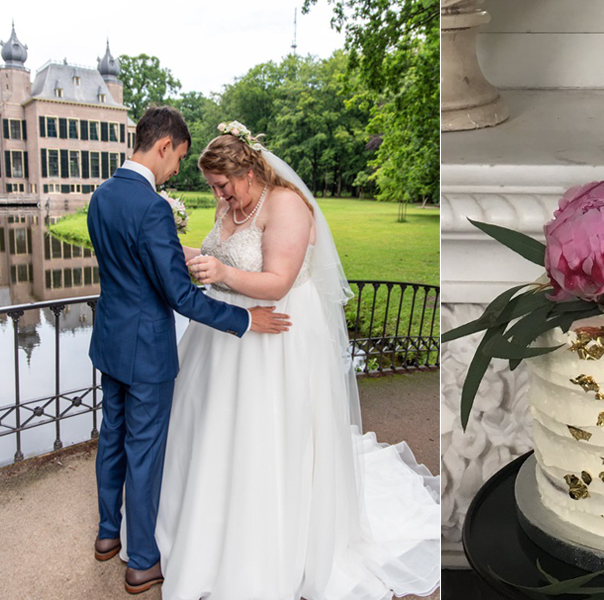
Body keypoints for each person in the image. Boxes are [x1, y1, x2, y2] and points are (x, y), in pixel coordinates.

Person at [147, 122, 440, 600]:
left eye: (221, 185)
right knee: (212, 430)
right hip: (225, 331)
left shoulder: (287, 205)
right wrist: (189, 254)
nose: (218, 196)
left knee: (266, 433)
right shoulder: (230, 202)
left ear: (244, 171)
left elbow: (278, 281)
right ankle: (203, 527)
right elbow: (222, 252)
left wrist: (220, 271)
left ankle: (264, 546)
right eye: (213, 188)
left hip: (275, 333)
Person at [87, 107, 291, 594]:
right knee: (144, 451)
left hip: (109, 342)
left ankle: (106, 535)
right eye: (178, 157)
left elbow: (129, 269)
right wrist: (245, 318)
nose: (177, 168)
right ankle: (141, 562)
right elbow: (179, 297)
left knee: (111, 437)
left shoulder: (102, 196)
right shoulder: (151, 206)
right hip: (146, 352)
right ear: (163, 147)